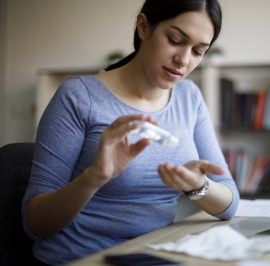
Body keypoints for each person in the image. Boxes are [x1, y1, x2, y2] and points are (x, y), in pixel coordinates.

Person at [22, 0, 240, 265]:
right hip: (81, 259)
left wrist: (198, 186)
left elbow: (229, 203)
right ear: (143, 26)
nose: (183, 60)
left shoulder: (189, 97)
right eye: (174, 40)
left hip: (152, 256)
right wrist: (94, 177)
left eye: (197, 51)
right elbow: (34, 223)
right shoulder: (80, 97)